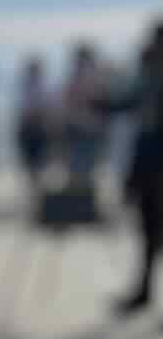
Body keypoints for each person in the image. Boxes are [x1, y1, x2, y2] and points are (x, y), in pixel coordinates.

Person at [109, 19, 163, 314]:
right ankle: (143, 292)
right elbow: (128, 102)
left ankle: (143, 293)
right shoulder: (148, 71)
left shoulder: (152, 73)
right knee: (148, 230)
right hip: (146, 160)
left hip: (152, 161)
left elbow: (127, 101)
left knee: (151, 230)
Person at [61, 40, 106, 187]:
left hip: (84, 128)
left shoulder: (84, 75)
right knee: (83, 167)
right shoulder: (94, 75)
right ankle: (83, 200)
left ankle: (83, 201)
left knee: (82, 167)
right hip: (84, 127)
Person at [16, 56, 51, 189]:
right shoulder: (25, 86)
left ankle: (36, 185)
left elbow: (46, 108)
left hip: (38, 128)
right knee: (30, 160)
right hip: (29, 128)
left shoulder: (43, 86)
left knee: (38, 160)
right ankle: (34, 185)